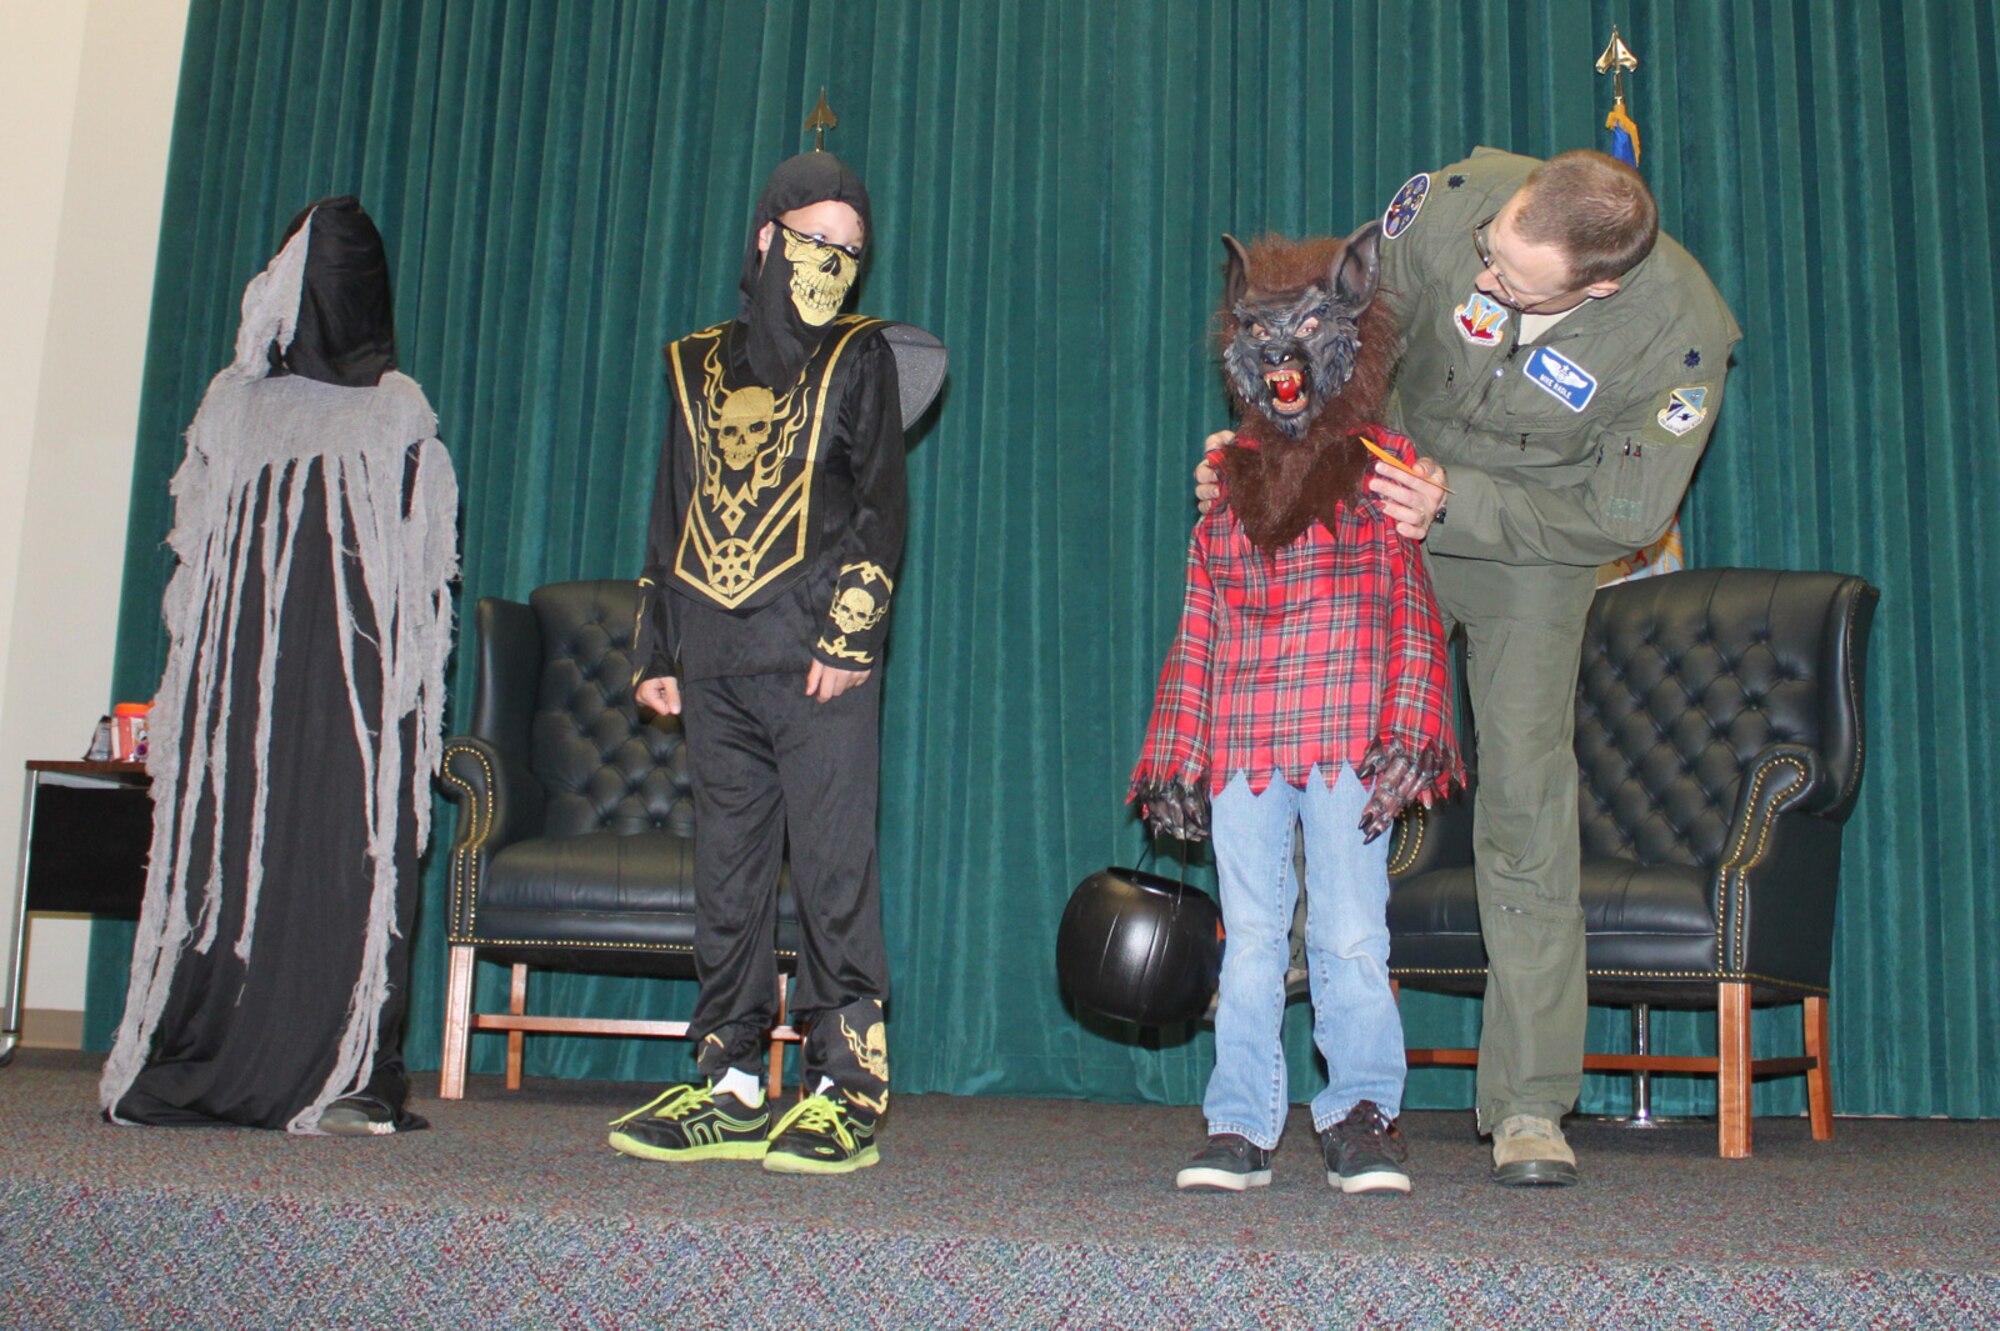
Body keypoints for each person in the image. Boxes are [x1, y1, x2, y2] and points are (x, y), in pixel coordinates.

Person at [1194, 149, 1740, 1185]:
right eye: (1491, 253)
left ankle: (1528, 1102)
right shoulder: (1450, 207)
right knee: (1309, 729)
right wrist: (1265, 456)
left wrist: (1458, 501)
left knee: (1524, 802)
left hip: (1526, 545)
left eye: (1512, 282)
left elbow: (1623, 514)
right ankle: (1296, 941)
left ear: (1596, 287)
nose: (1485, 275)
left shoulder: (1677, 334)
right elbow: (1330, 339)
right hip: (1381, 496)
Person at [100, 197, 458, 1136]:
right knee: (242, 858)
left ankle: (341, 1067)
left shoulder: (391, 412)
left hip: (344, 693)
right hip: (250, 687)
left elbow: (421, 576)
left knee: (344, 859)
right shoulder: (241, 408)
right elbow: (200, 559)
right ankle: (242, 1053)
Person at [1134, 226, 1462, 1196]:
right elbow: (1198, 622)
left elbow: (1411, 609)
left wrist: (1411, 728)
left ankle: (1361, 1113)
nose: (1283, 353)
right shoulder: (1231, 479)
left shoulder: (1380, 467)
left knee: (1350, 936)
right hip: (1243, 742)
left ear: (1348, 338)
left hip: (1346, 739)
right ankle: (1238, 1121)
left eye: (1307, 329)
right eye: (1262, 332)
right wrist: (1174, 751)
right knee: (1247, 943)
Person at [607, 150, 906, 1176]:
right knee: (726, 875)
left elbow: (880, 507)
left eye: (851, 250)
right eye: (816, 240)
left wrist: (851, 634)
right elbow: (671, 506)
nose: (832, 264)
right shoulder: (693, 363)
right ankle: (728, 1075)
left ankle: (845, 1085)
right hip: (715, 656)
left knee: (831, 869)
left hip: (816, 654)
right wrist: (657, 644)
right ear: (768, 237)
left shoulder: (860, 355)